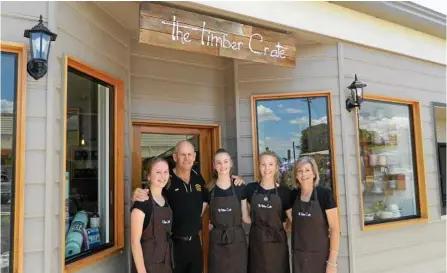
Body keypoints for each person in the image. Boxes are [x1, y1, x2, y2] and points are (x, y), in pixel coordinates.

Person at [132, 140, 245, 273]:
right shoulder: (166, 180)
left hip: (195, 243)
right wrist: (135, 193)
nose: (187, 158)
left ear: (194, 157)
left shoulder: (198, 179)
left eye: (190, 155)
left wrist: (236, 179)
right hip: (173, 245)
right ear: (175, 157)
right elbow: (153, 195)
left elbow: (208, 202)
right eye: (182, 155)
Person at [286, 156, 340, 273]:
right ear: (296, 175)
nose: (303, 174)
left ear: (314, 173)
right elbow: (290, 225)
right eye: (300, 171)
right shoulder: (292, 195)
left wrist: (332, 262)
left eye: (307, 170)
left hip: (320, 258)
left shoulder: (325, 195)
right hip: (299, 257)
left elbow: (335, 229)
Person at [245, 150, 292, 273]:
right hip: (257, 244)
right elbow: (247, 217)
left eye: (271, 164)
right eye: (263, 164)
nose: (267, 168)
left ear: (276, 167)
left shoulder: (284, 192)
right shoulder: (250, 189)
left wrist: (286, 226)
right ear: (258, 166)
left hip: (277, 245)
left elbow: (292, 219)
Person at [207, 148, 250, 273]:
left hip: (237, 241)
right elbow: (197, 213)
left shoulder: (240, 187)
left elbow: (246, 218)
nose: (222, 166)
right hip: (217, 242)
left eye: (225, 161)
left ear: (231, 163)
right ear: (214, 165)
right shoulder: (209, 190)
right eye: (218, 162)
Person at [131, 157, 172, 273]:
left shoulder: (166, 200)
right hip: (147, 267)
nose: (163, 176)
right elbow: (135, 242)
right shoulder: (142, 204)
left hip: (165, 265)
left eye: (165, 172)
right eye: (158, 172)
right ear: (148, 176)